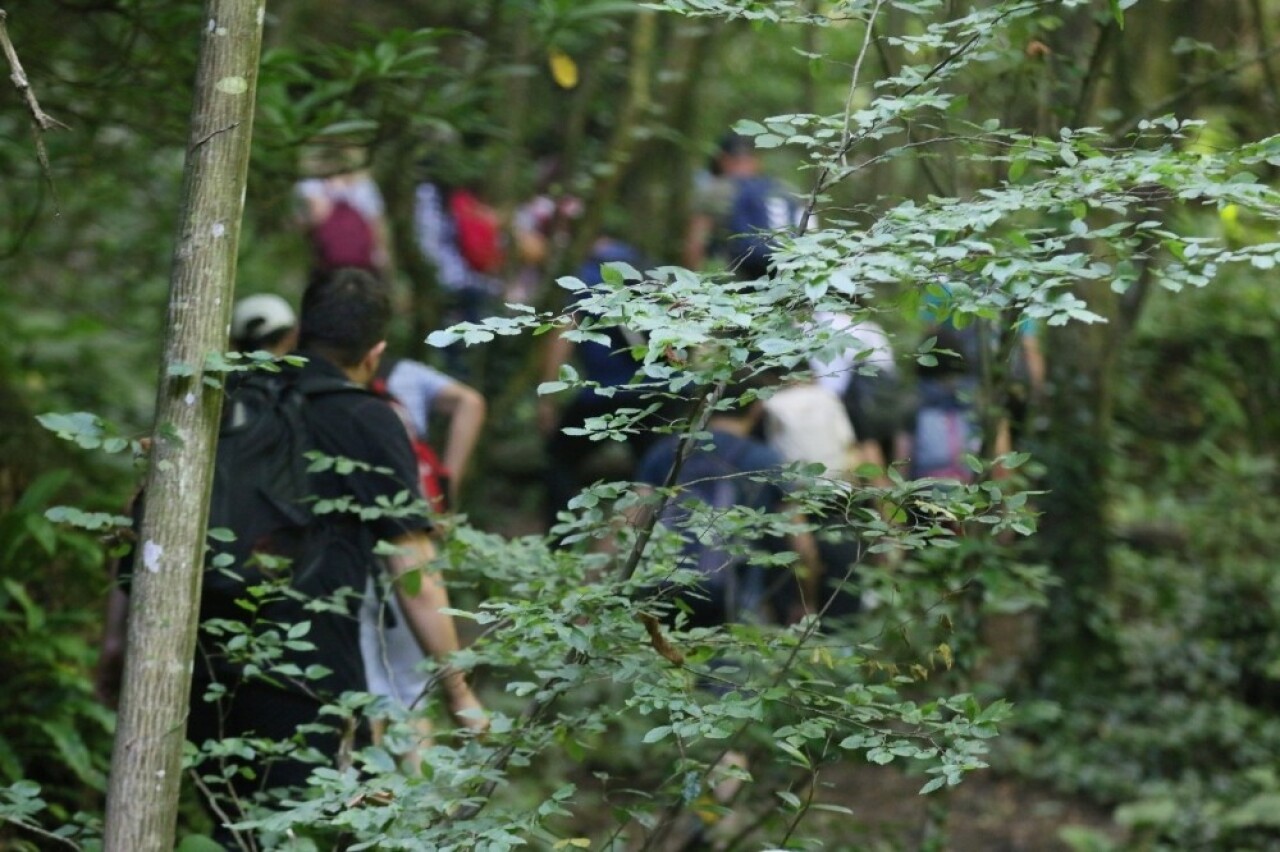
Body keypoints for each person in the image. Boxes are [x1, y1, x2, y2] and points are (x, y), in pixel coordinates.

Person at [184, 269, 484, 839]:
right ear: (375, 353)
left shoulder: (230, 401)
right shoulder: (368, 418)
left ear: (298, 331)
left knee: (236, 826)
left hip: (204, 653)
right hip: (311, 669)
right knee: (310, 829)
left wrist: (117, 643)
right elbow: (411, 562)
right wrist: (458, 692)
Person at [634, 382, 823, 627]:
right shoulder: (765, 460)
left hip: (662, 590)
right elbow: (802, 544)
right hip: (734, 598)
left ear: (705, 406)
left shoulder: (668, 450)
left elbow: (630, 521)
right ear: (756, 408)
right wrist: (806, 601)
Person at [539, 237, 662, 528]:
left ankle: (558, 538)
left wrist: (547, 396)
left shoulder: (585, 280)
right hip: (654, 392)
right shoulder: (648, 275)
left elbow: (563, 337)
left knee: (559, 460)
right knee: (652, 471)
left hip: (602, 393)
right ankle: (642, 540)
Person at [683, 132, 807, 280]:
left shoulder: (715, 190)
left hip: (737, 283)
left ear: (723, 160)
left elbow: (696, 243)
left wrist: (691, 287)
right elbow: (810, 234)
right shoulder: (787, 189)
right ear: (757, 160)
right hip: (788, 280)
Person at [295, 145, 392, 277]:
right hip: (354, 262)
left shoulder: (316, 185)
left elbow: (316, 217)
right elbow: (377, 221)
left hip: (330, 261)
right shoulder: (364, 186)